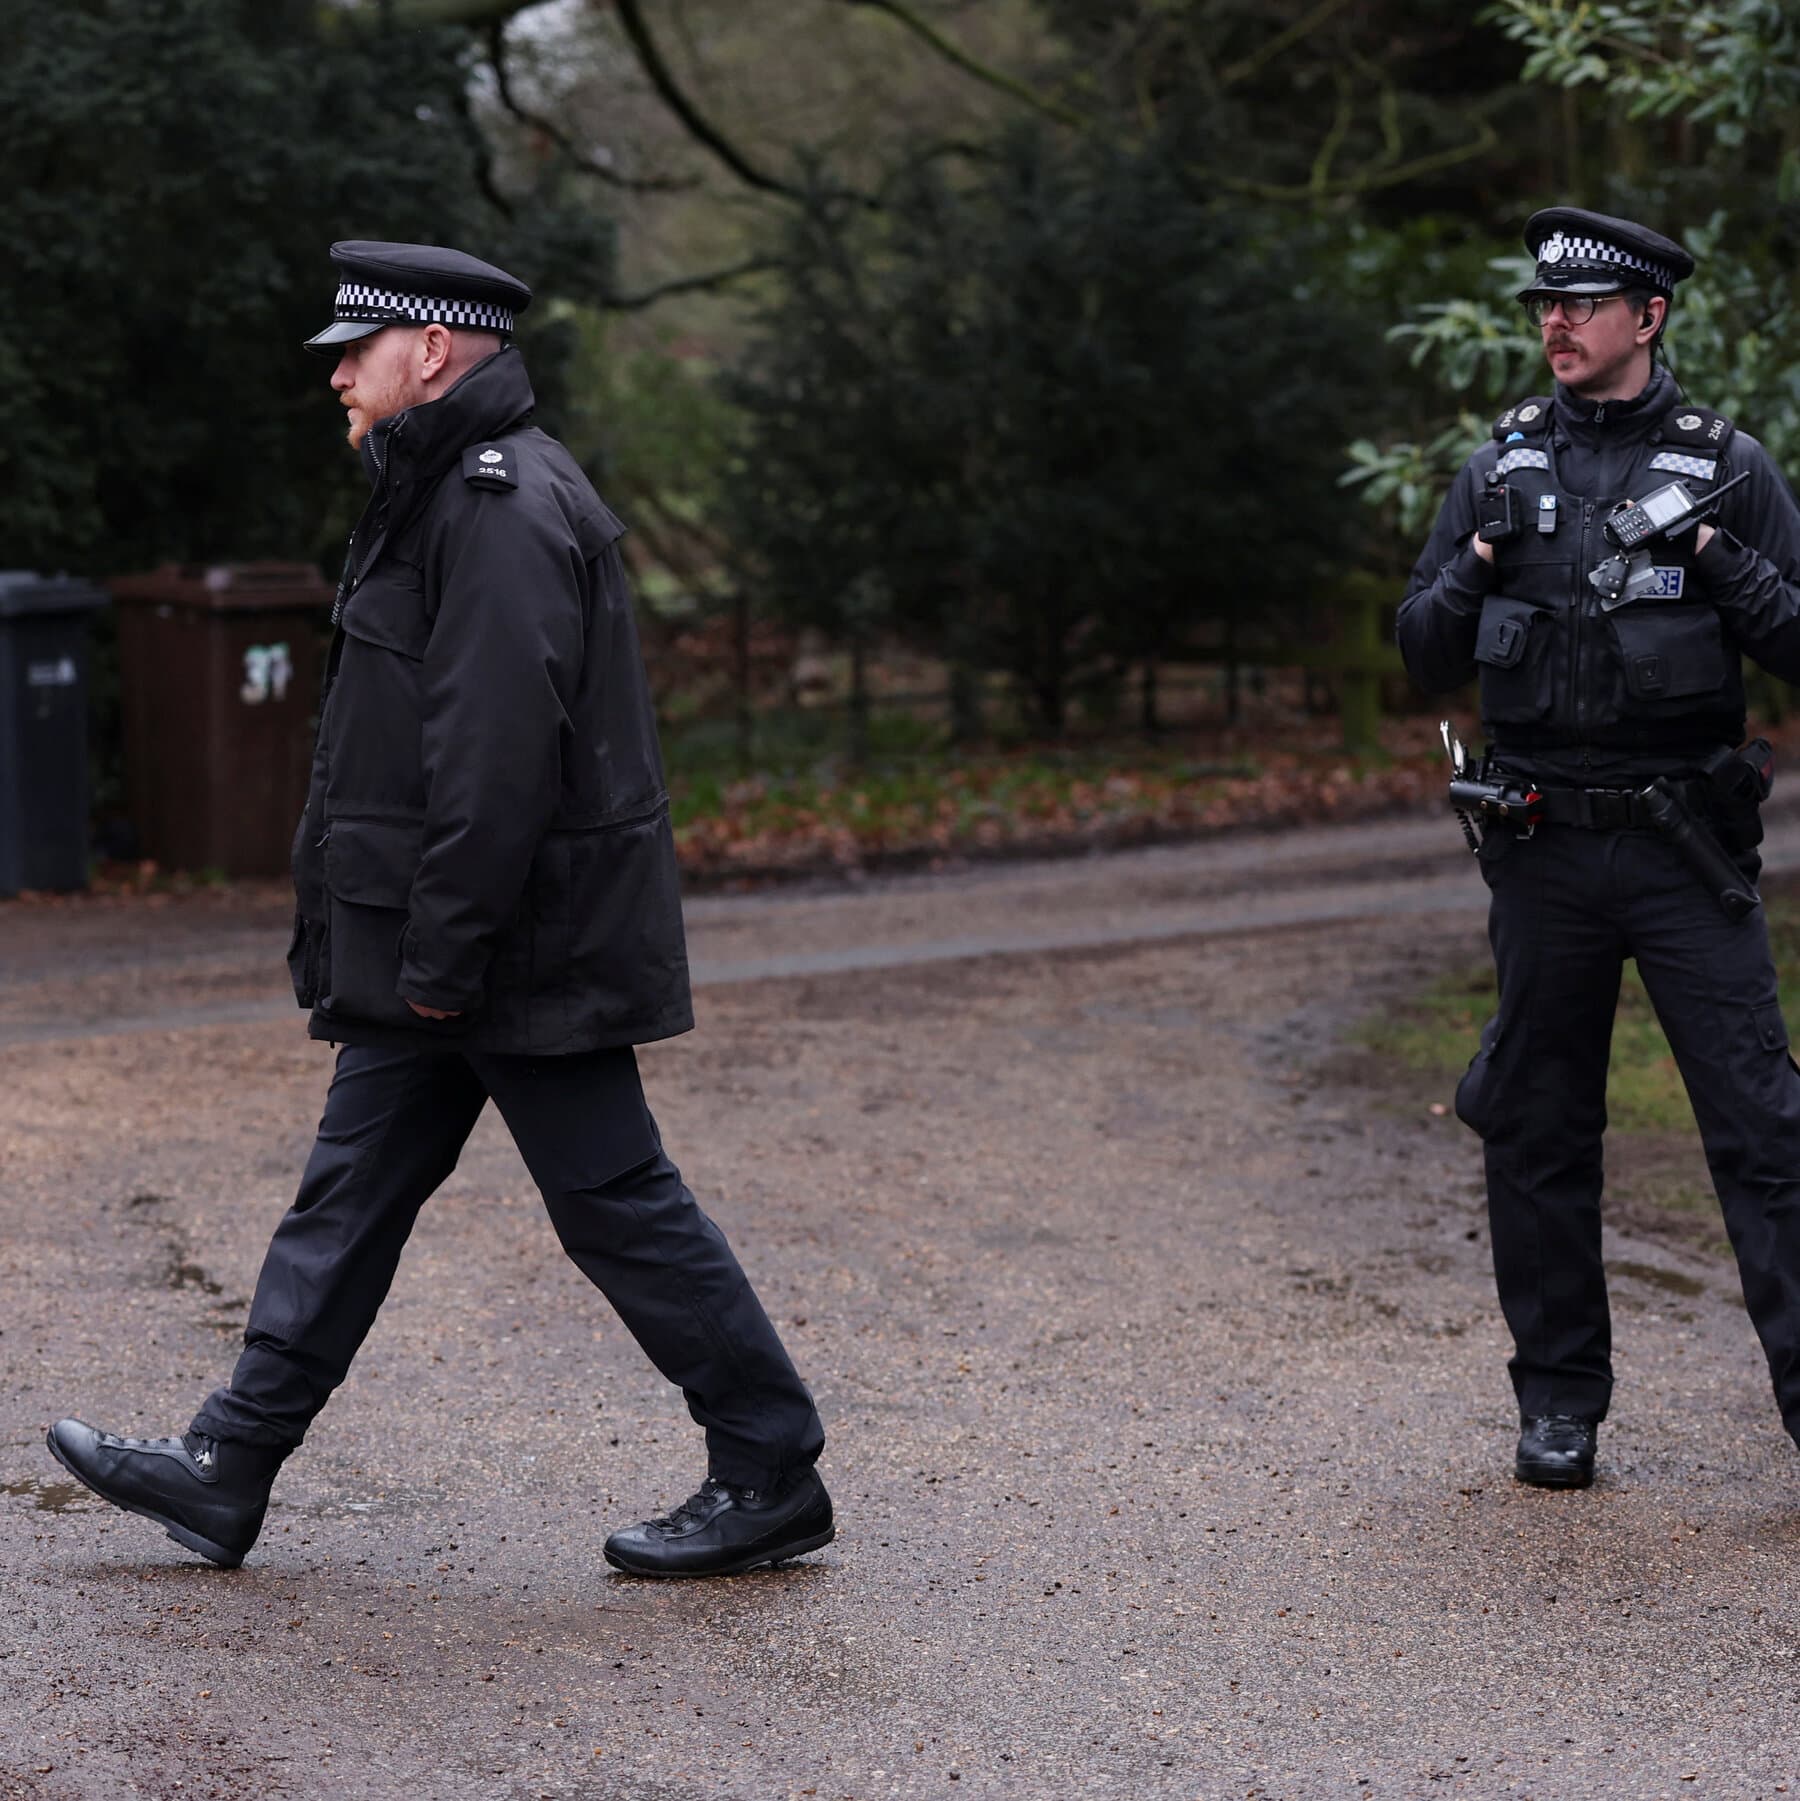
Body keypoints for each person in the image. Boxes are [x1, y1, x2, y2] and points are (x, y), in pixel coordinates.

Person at [46, 241, 831, 1576]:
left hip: (507, 951)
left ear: (433, 348)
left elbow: (495, 761)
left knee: (616, 1205)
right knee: (347, 1194)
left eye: (356, 351)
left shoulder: (503, 506)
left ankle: (769, 1465)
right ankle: (228, 1464)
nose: (338, 376)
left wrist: (442, 958)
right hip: (446, 950)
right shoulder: (436, 498)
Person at [1398, 207, 1800, 1490]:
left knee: (1762, 1128)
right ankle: (1559, 1403)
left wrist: (1715, 557)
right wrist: (1472, 563)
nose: (1556, 324)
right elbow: (1416, 649)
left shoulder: (1729, 467)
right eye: (1544, 307)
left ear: (1651, 316)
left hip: (1685, 849)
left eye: (1582, 304)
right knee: (1539, 1125)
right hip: (1543, 852)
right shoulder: (1500, 466)